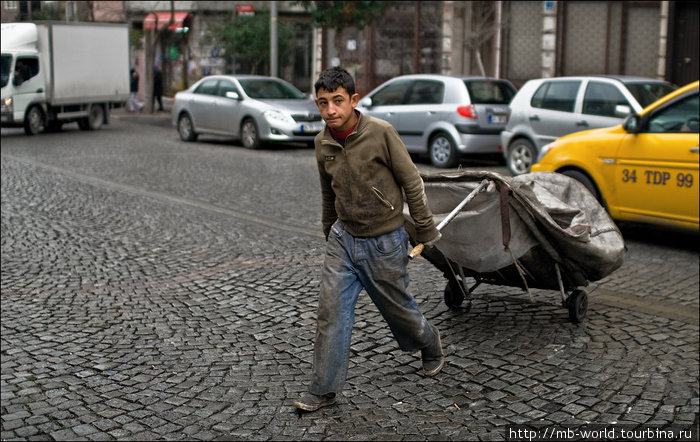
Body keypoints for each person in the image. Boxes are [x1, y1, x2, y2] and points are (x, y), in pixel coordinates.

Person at [293, 67, 444, 412]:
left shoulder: (381, 133)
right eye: (323, 103)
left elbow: (412, 182)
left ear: (353, 100)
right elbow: (327, 193)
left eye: (337, 101)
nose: (330, 110)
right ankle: (323, 389)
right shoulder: (323, 143)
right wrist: (328, 228)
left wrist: (424, 229)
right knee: (330, 313)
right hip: (343, 240)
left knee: (401, 312)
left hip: (385, 241)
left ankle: (430, 340)